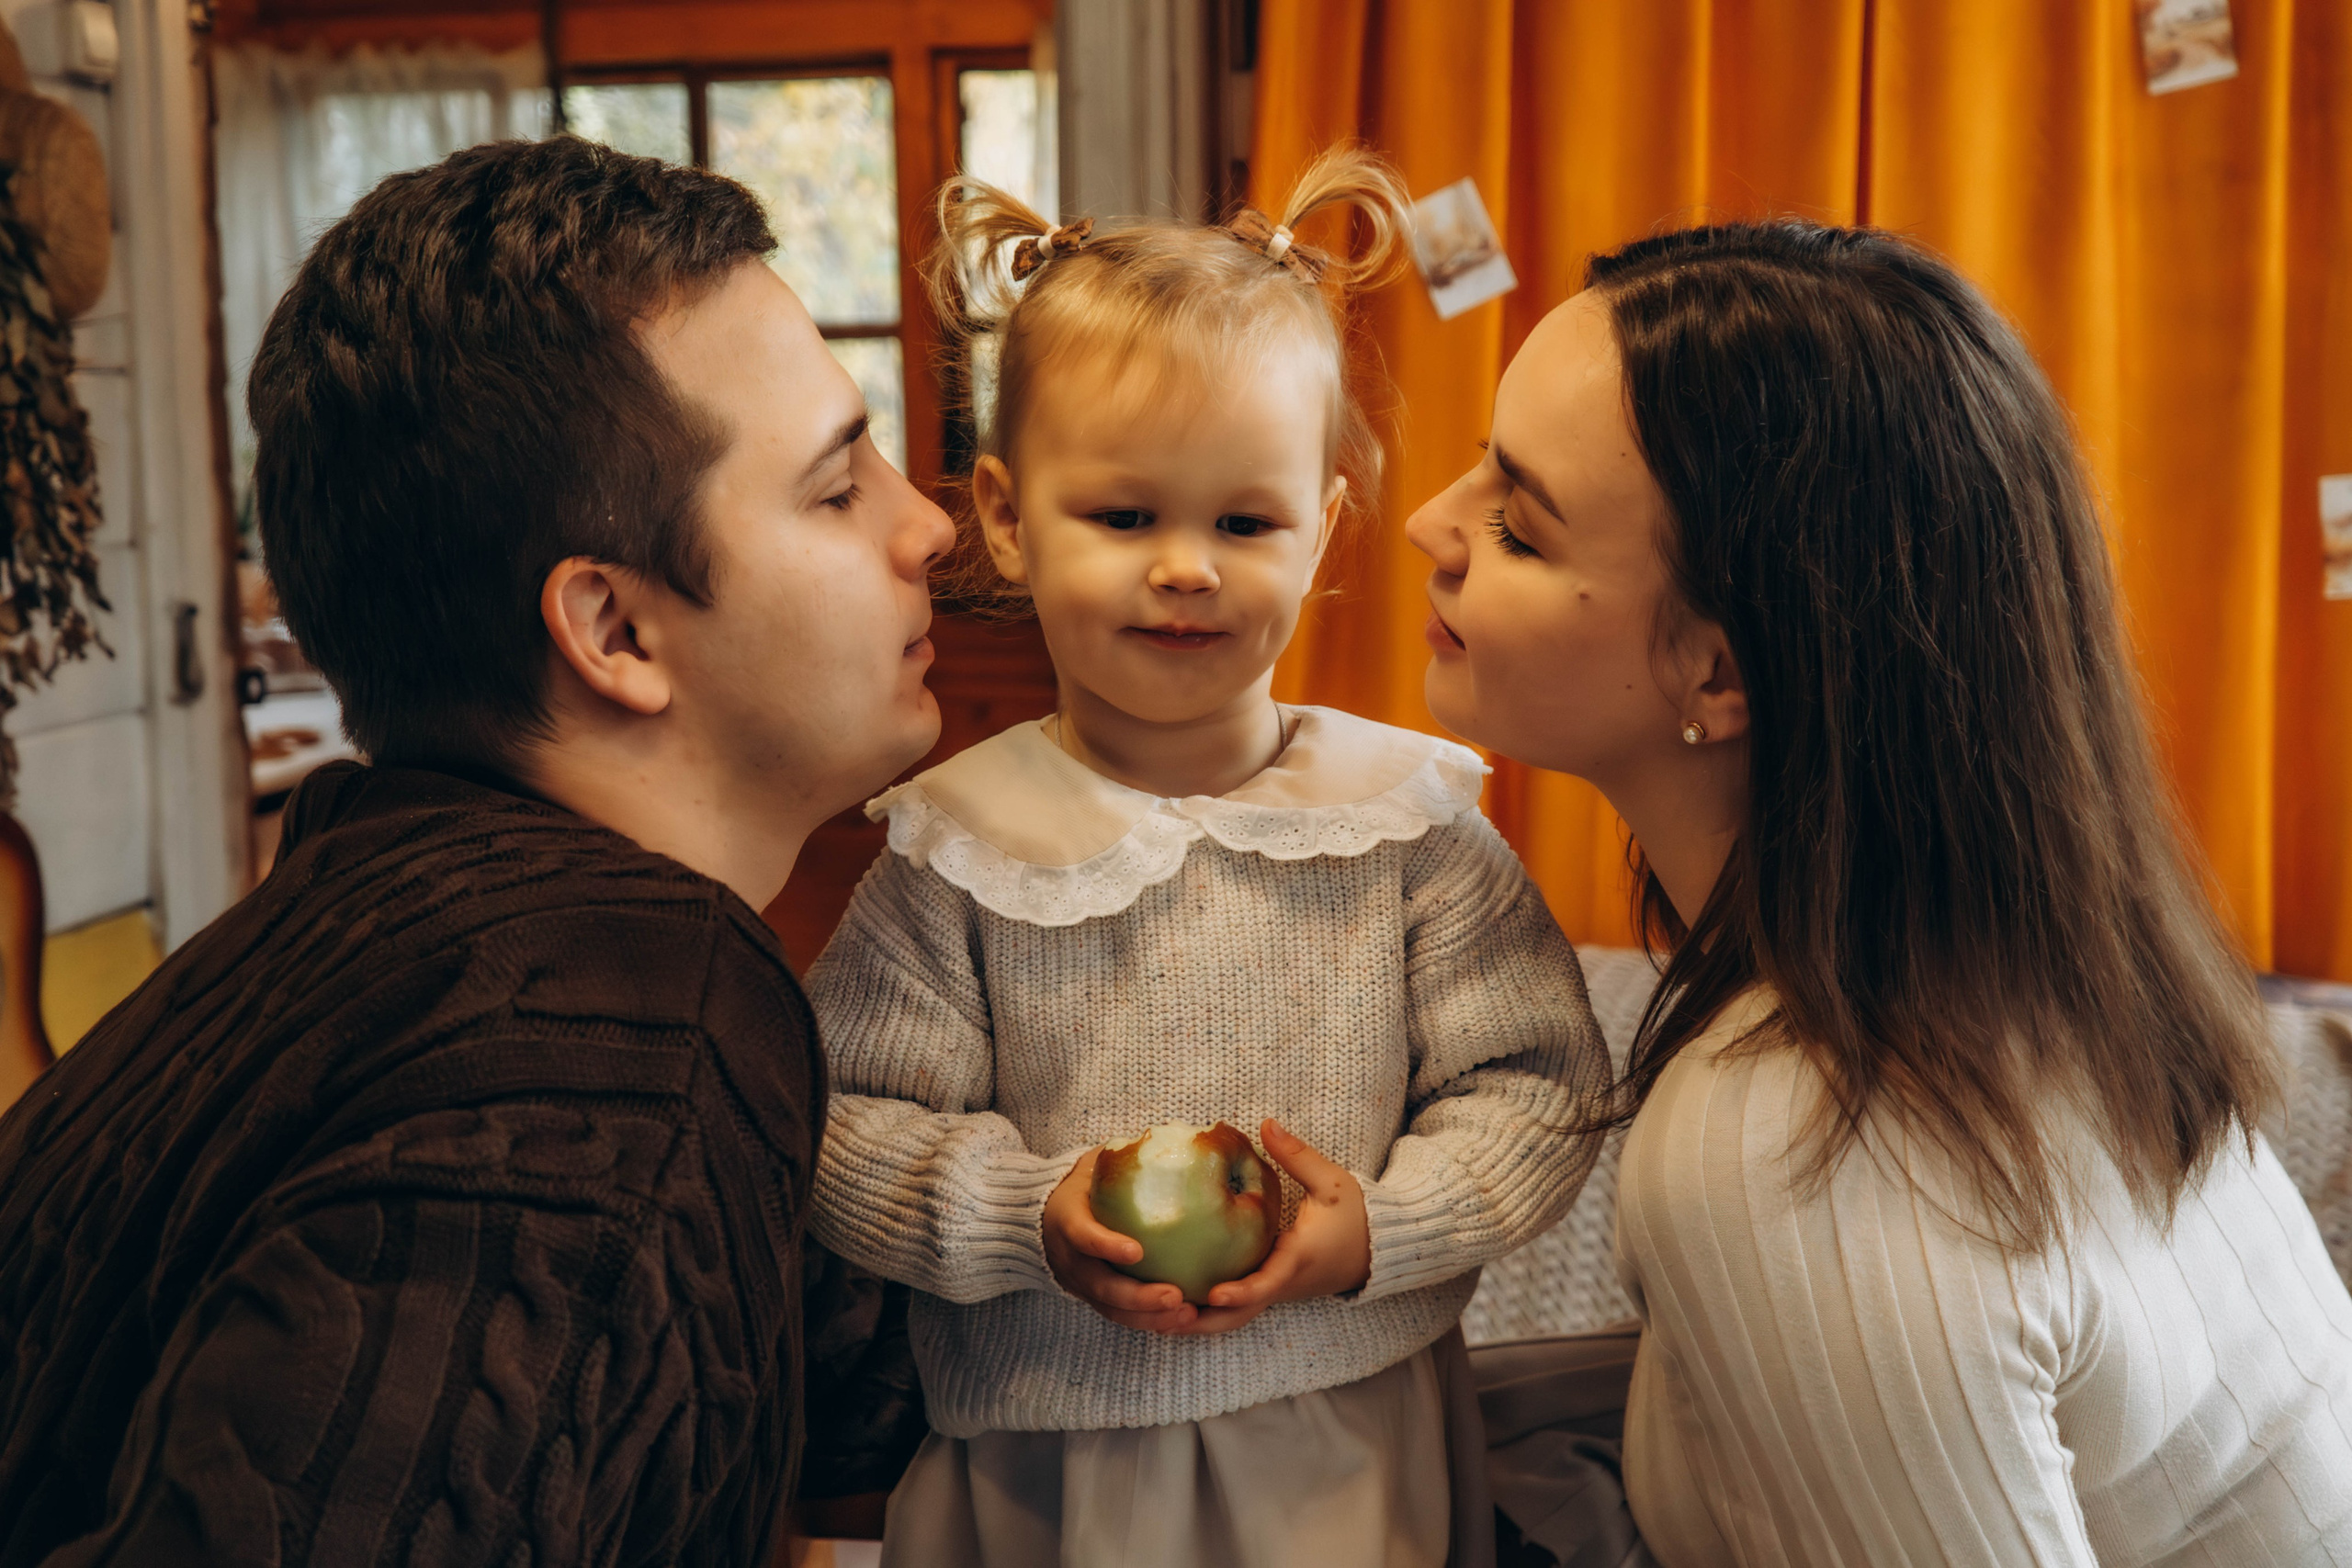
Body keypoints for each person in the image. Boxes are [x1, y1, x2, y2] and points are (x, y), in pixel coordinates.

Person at [0, 137, 954, 1564]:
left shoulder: (383, 903)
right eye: (834, 489)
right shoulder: (613, 1026)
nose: (929, 524)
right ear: (616, 630)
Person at [1408, 220, 2352, 1563]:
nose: (1428, 523)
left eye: (1516, 519)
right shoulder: (2050, 968)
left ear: (1719, 677)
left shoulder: (1799, 1147)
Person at [801, 148, 1610, 1568]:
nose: (1187, 567)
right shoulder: (954, 849)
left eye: (1244, 523)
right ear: (1003, 514)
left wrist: (1384, 1230)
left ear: (1324, 535)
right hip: (1045, 1470)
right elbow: (846, 1121)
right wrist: (1023, 1211)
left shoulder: (1405, 822)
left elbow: (1539, 1086)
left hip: (1349, 1445)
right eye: (1124, 517)